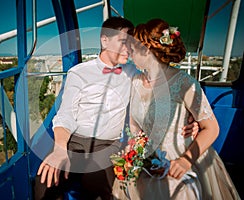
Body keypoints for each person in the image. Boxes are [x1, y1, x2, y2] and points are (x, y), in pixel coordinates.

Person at [34, 17, 199, 200]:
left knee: (102, 185)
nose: (128, 48)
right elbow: (65, 115)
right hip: (73, 141)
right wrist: (60, 149)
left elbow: (164, 86)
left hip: (107, 144)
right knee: (43, 182)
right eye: (122, 42)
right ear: (105, 40)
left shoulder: (135, 74)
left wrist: (191, 120)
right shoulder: (79, 73)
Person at [112, 18, 240, 200]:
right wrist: (132, 153)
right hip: (147, 162)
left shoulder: (184, 83)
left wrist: (186, 160)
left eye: (133, 50)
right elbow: (135, 129)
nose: (130, 54)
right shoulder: (135, 82)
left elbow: (212, 128)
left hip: (181, 158)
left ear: (147, 51)